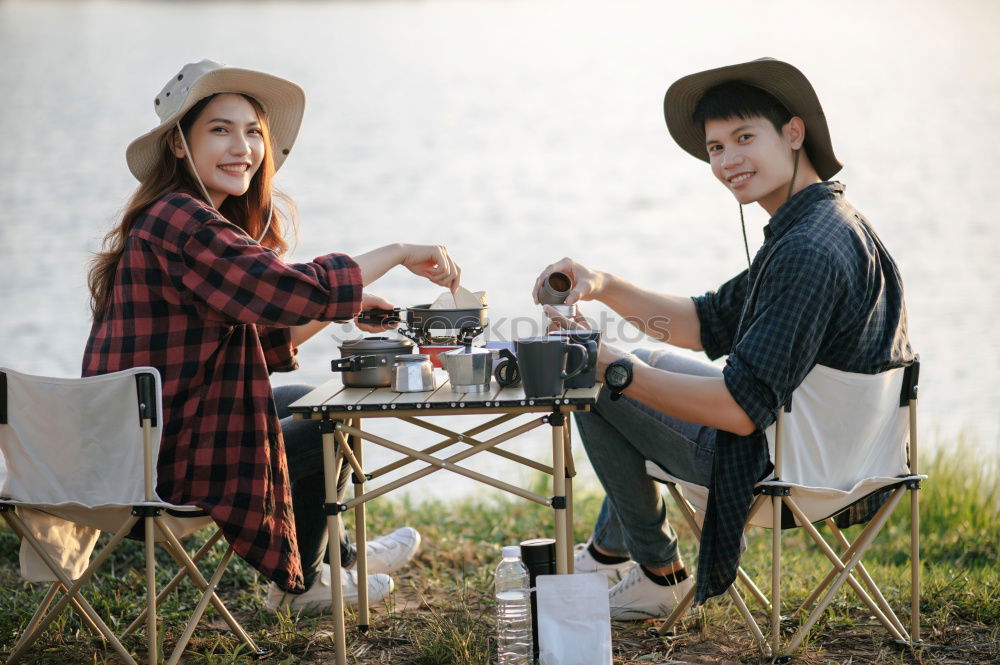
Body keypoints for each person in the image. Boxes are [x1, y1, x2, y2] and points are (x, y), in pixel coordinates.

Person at [533, 58, 912, 619]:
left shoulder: (808, 252)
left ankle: (657, 575)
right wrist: (603, 285)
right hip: (836, 450)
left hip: (789, 467)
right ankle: (608, 552)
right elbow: (702, 324)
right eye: (715, 149)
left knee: (601, 384)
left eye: (743, 138)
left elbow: (738, 411)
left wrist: (610, 368)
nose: (729, 161)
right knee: (647, 358)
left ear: (792, 133)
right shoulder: (824, 221)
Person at [84, 60, 461, 614]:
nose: (243, 147)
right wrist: (400, 253)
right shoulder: (181, 220)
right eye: (220, 129)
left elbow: (257, 339)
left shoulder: (176, 218)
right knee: (331, 420)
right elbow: (293, 288)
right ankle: (311, 580)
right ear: (179, 146)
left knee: (309, 401)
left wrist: (341, 308)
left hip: (148, 441)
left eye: (253, 131)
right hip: (158, 467)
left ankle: (333, 560)